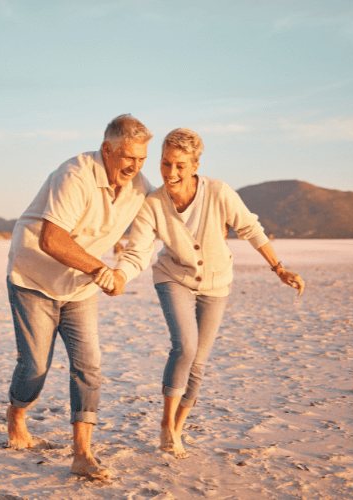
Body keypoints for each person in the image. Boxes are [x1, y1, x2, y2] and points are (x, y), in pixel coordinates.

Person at [114, 128, 305, 459]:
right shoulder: (153, 203)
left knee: (199, 362)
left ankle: (178, 427)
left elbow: (251, 229)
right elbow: (139, 249)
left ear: (195, 163)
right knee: (185, 347)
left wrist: (279, 268)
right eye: (164, 163)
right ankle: (165, 425)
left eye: (179, 165)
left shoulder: (218, 192)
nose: (170, 173)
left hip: (216, 285)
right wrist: (120, 275)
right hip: (173, 277)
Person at [4, 114, 153, 479]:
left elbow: (143, 244)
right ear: (108, 150)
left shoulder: (140, 189)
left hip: (81, 287)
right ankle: (16, 414)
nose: (135, 167)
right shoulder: (76, 174)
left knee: (89, 365)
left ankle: (82, 455)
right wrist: (101, 271)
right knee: (35, 366)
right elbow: (51, 239)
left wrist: (123, 272)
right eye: (128, 158)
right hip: (33, 278)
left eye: (142, 160)